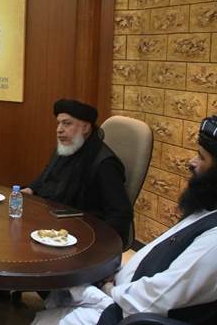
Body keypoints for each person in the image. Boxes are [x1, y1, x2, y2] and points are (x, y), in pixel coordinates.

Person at [32, 114, 217, 325]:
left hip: (127, 314)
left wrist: (107, 289)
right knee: (55, 290)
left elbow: (154, 299)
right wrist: (114, 274)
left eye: (201, 157)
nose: (192, 162)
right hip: (120, 289)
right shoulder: (206, 210)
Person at [22, 99, 132, 245]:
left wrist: (97, 245)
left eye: (67, 123)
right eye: (59, 123)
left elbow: (120, 214)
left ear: (86, 127)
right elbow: (47, 176)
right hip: (53, 221)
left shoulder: (104, 164)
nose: (59, 130)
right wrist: (30, 189)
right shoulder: (67, 147)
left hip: (82, 234)